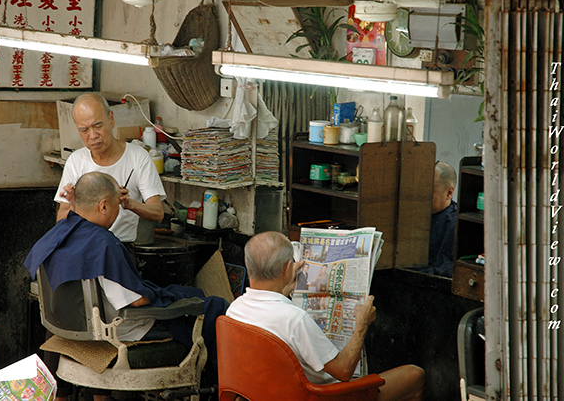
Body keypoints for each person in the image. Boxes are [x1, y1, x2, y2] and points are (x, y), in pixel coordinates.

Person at [26, 172, 227, 400]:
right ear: (103, 206)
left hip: (72, 324)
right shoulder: (103, 244)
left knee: (184, 294)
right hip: (121, 329)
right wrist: (157, 295)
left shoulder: (56, 235)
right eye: (115, 207)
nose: (116, 212)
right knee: (211, 307)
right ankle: (219, 390)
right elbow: (136, 301)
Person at [226, 231, 425, 401]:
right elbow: (344, 371)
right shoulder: (294, 320)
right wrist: (361, 325)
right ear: (286, 268)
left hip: (263, 393)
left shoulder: (234, 310)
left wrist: (285, 284)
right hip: (321, 396)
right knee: (415, 376)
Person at [54, 92, 166, 246]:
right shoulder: (76, 160)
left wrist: (130, 204)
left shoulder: (138, 157)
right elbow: (61, 219)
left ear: (111, 119)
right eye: (84, 130)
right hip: (83, 246)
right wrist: (74, 205)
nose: (93, 135)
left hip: (120, 248)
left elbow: (158, 214)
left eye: (98, 126)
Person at [416, 161, 458, 277]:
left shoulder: (454, 224)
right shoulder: (411, 214)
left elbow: (445, 270)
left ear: (449, 193)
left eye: (428, 192)